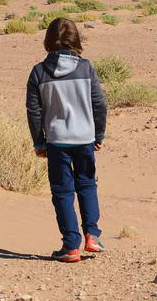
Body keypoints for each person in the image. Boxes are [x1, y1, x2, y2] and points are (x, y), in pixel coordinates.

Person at [26, 17, 107, 262]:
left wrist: (39, 142)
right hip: (84, 139)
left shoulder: (39, 72)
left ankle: (71, 246)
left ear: (47, 41)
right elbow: (99, 104)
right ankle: (92, 235)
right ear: (76, 40)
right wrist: (98, 134)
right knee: (87, 185)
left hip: (57, 141)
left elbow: (34, 111)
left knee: (62, 192)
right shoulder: (86, 68)